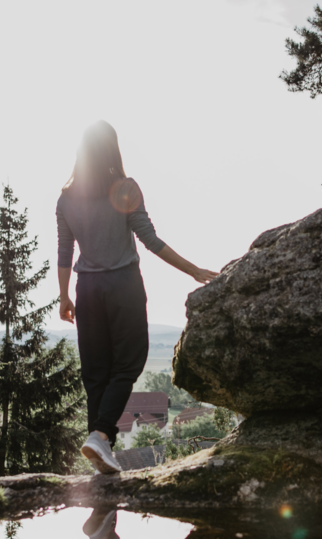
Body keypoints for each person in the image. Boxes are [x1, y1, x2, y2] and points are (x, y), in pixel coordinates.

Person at [56, 121, 218, 474]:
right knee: (128, 364)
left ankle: (101, 452)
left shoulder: (67, 197)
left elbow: (65, 251)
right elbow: (150, 238)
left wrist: (64, 296)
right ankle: (101, 435)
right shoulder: (124, 188)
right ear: (113, 150)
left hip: (87, 289)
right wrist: (192, 270)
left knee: (96, 373)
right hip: (123, 285)